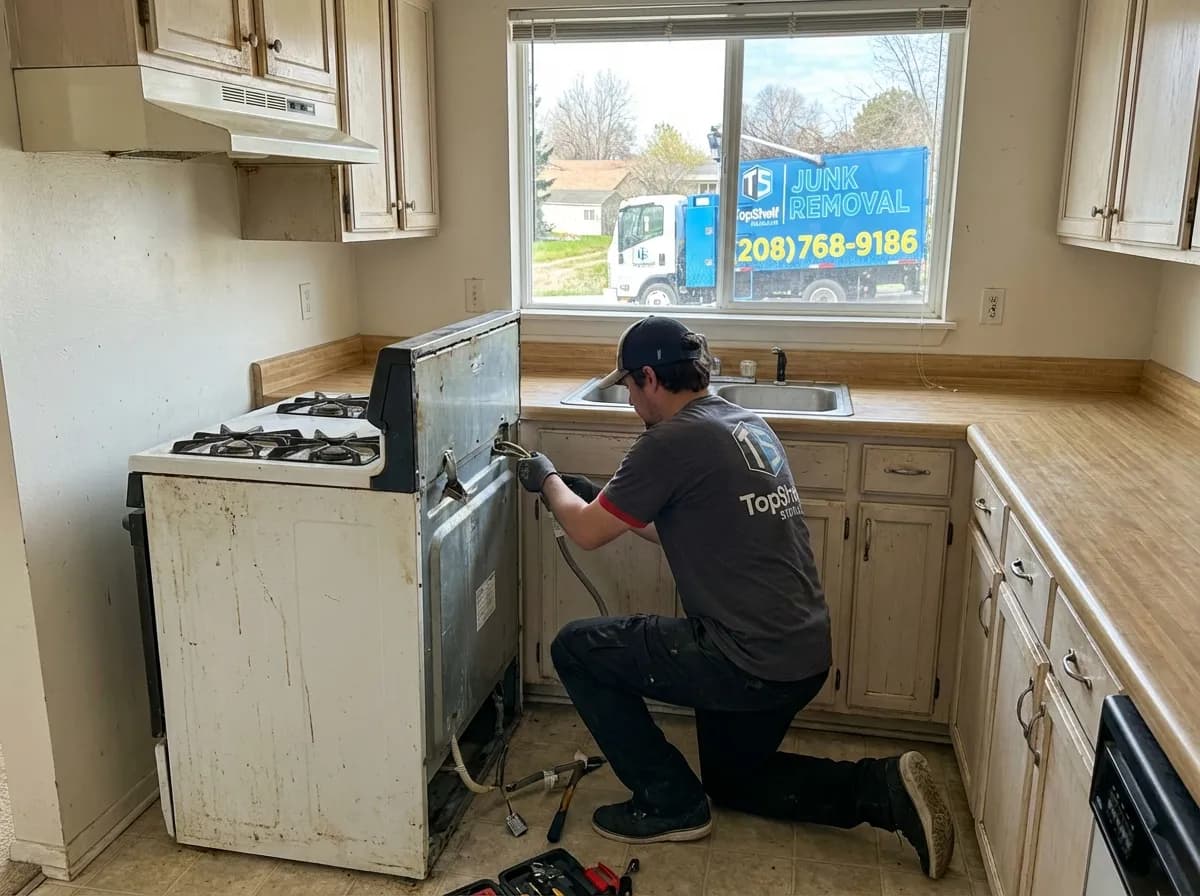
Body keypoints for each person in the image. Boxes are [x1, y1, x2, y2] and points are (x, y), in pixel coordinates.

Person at [515, 315, 955, 879]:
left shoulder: (669, 441)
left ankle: (668, 801)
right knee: (734, 782)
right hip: (800, 656)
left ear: (650, 377)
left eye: (629, 386)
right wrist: (599, 498)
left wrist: (547, 479)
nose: (630, 400)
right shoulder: (743, 422)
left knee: (576, 649)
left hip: (745, 660)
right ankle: (883, 788)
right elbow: (680, 527)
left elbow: (584, 532)